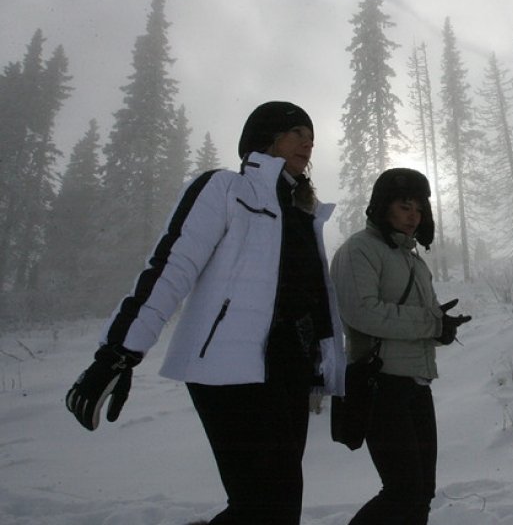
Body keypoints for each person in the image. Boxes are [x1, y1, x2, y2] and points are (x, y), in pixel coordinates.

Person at [65, 101, 346, 524]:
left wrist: (332, 370)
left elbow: (312, 303)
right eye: (296, 132)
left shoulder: (302, 213)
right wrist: (118, 352)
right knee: (263, 507)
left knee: (275, 510)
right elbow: (170, 267)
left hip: (287, 372)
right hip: (226, 370)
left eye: (311, 137)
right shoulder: (225, 189)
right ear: (265, 138)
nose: (308, 142)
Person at [331, 168, 471, 525]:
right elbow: (362, 312)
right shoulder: (359, 250)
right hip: (381, 385)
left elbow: (422, 315)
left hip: (416, 384)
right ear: (383, 207)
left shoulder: (412, 258)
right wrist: (430, 323)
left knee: (421, 493)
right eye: (405, 207)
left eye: (419, 210)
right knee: (402, 491)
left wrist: (441, 328)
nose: (414, 216)